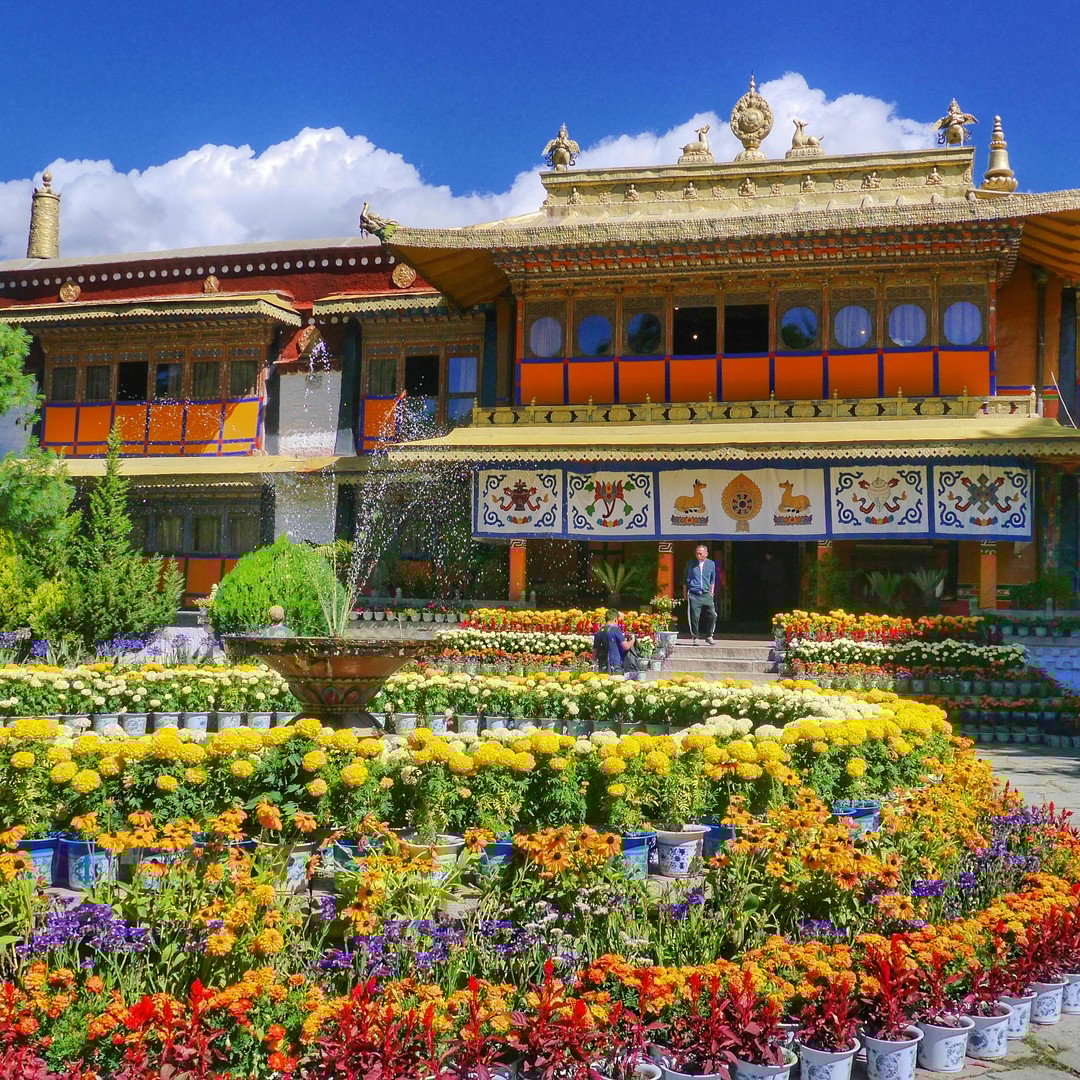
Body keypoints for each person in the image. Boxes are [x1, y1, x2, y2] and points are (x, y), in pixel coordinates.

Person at [685, 544, 717, 645]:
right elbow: (685, 579)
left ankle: (709, 635)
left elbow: (712, 579)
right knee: (694, 616)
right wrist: (685, 593)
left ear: (706, 554)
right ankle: (695, 637)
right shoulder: (691, 563)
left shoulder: (711, 564)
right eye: (697, 553)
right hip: (694, 594)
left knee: (712, 615)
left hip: (706, 594)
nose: (698, 555)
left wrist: (712, 591)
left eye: (700, 553)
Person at [592, 609, 635, 675]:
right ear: (615, 619)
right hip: (614, 666)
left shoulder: (599, 632)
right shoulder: (615, 629)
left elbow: (594, 653)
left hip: (602, 665)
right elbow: (626, 646)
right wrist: (633, 639)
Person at [761, 552, 787, 620]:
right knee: (779, 604)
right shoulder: (780, 563)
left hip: (770, 586)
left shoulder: (767, 564)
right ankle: (780, 618)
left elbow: (764, 576)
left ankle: (772, 618)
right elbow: (783, 575)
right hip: (779, 586)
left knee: (772, 604)